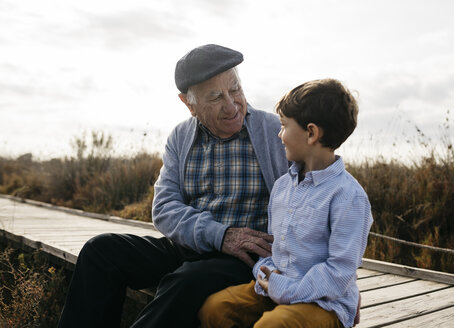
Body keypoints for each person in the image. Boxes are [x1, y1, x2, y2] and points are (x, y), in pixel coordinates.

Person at [58, 44, 289, 328]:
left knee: (185, 281)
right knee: (100, 250)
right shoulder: (180, 136)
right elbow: (165, 208)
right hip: (188, 247)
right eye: (216, 97)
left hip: (244, 258)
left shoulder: (275, 131)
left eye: (235, 89)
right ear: (188, 103)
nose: (231, 105)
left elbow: (314, 193)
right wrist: (220, 234)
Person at [198, 78, 373, 328]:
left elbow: (339, 273)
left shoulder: (348, 196)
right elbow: (275, 249)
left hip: (324, 304)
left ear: (311, 133)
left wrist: (284, 289)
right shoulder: (282, 187)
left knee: (273, 326)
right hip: (274, 288)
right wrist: (264, 272)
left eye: (284, 126)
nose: (279, 135)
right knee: (216, 309)